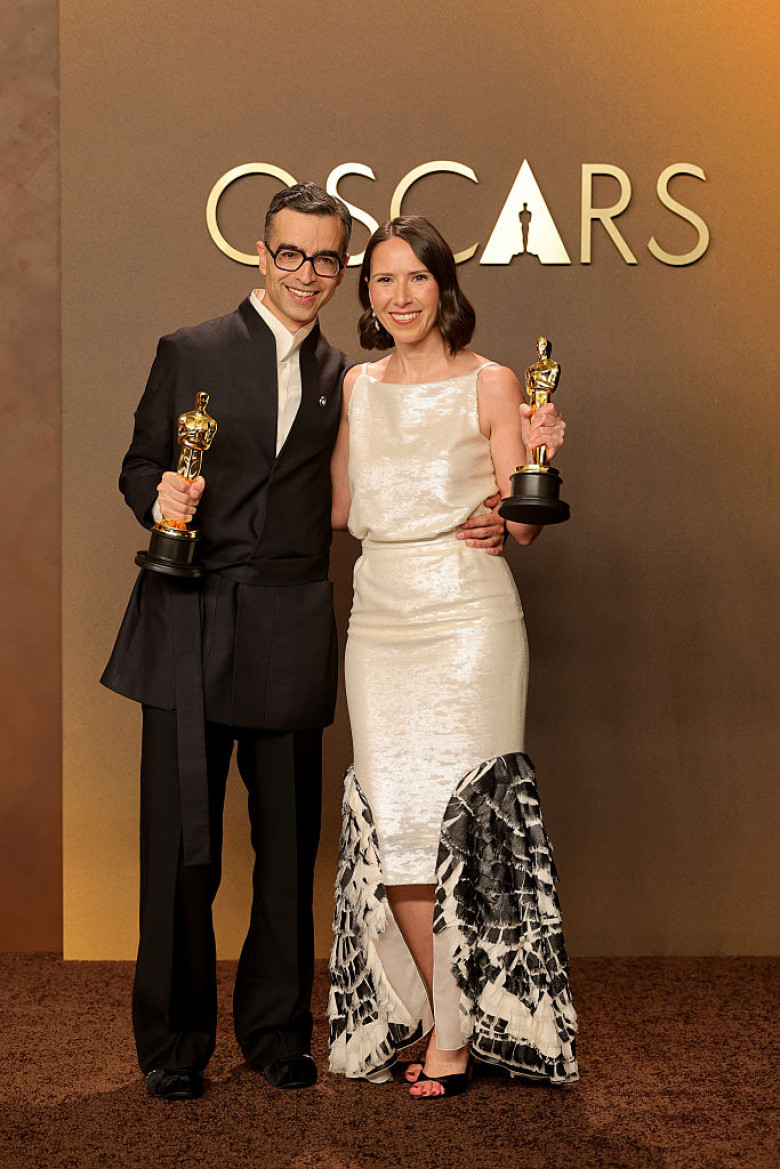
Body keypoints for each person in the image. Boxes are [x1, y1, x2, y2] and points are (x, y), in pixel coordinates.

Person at [101, 184, 505, 1101]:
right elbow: (138, 463)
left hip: (291, 623)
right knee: (180, 849)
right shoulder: (189, 350)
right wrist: (158, 496)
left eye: (327, 260)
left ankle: (278, 1032)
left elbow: (401, 471)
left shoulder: (347, 376)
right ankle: (173, 1046)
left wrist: (492, 503)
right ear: (260, 252)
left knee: (286, 847)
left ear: (341, 271)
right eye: (292, 254)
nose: (308, 274)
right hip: (189, 619)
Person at [327, 216, 579, 1099]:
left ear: (445, 288)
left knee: (466, 825)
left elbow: (523, 523)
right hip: (381, 615)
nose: (400, 296)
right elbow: (335, 507)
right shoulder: (356, 386)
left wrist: (531, 472)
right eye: (383, 280)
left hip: (468, 617)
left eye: (416, 278)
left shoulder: (493, 380)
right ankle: (443, 1015)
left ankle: (452, 1031)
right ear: (367, 296)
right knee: (395, 826)